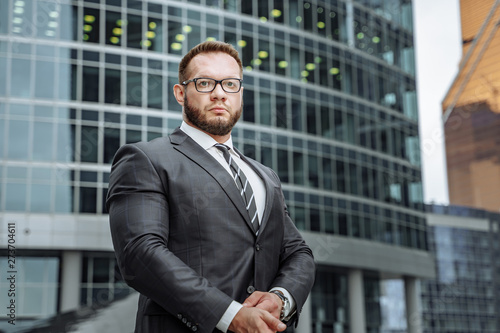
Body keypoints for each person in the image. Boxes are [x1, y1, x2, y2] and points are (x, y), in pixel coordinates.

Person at [107, 41, 315, 333]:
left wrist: (280, 298)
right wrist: (231, 315)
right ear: (181, 93)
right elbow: (140, 253)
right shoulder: (146, 159)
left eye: (230, 84)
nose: (219, 93)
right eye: (205, 83)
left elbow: (297, 253)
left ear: (240, 94)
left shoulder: (266, 176)